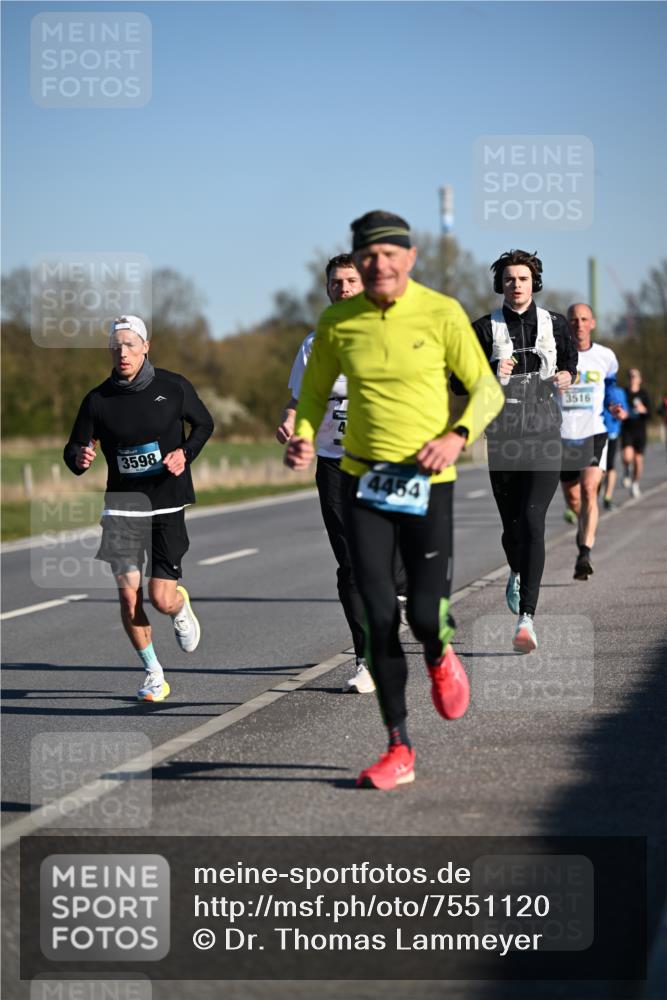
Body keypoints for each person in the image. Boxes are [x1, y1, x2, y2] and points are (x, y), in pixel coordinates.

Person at [285, 210, 504, 790]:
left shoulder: (441, 313)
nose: (378, 265)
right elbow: (310, 398)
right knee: (379, 612)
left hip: (426, 481)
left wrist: (457, 436)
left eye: (389, 255)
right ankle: (398, 747)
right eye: (367, 256)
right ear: (356, 262)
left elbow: (486, 391)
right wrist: (304, 436)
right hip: (360, 480)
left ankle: (440, 652)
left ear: (409, 259)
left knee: (425, 612)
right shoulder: (337, 324)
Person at [63, 315, 214, 702]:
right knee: (129, 596)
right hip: (123, 507)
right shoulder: (98, 400)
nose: (122, 352)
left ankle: (180, 608)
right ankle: (153, 673)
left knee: (161, 598)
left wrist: (185, 453)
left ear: (146, 347)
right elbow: (74, 448)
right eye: (116, 346)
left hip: (167, 502)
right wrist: (79, 458)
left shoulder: (173, 386)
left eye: (130, 344)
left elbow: (204, 424)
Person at [276, 254, 406, 695]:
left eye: (351, 281)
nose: (344, 289)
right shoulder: (315, 345)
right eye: (336, 283)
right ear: (328, 290)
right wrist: (291, 422)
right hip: (333, 462)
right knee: (350, 564)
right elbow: (298, 400)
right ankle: (365, 659)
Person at [454, 250, 577, 651]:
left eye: (523, 278)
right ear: (500, 284)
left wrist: (565, 376)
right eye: (509, 279)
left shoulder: (555, 324)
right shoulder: (483, 330)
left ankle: (527, 618)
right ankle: (517, 570)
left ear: (534, 282)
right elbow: (456, 383)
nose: (516, 285)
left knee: (533, 519)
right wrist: (489, 373)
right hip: (504, 437)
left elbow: (571, 365)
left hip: (544, 435)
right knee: (511, 529)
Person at [557, 304, 621, 580]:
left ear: (592, 323)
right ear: (568, 324)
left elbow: (612, 389)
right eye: (574, 320)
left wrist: (615, 405)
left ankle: (585, 553)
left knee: (589, 488)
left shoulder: (605, 356)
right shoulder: (556, 355)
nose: (579, 324)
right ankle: (585, 528)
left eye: (584, 319)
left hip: (594, 431)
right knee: (574, 499)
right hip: (562, 435)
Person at [621, 368, 651, 497]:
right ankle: (627, 469)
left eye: (635, 376)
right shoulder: (624, 393)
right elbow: (619, 407)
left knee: (638, 461)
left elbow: (649, 414)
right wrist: (622, 413)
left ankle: (635, 483)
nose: (632, 378)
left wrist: (643, 410)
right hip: (627, 429)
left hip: (640, 431)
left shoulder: (644, 394)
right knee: (627, 456)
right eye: (630, 376)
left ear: (640, 379)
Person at [601, 382, 629, 510]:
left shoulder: (619, 392)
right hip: (595, 432)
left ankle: (607, 497)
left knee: (610, 465)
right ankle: (591, 496)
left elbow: (625, 412)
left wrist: (620, 413)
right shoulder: (594, 387)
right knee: (597, 469)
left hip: (612, 432)